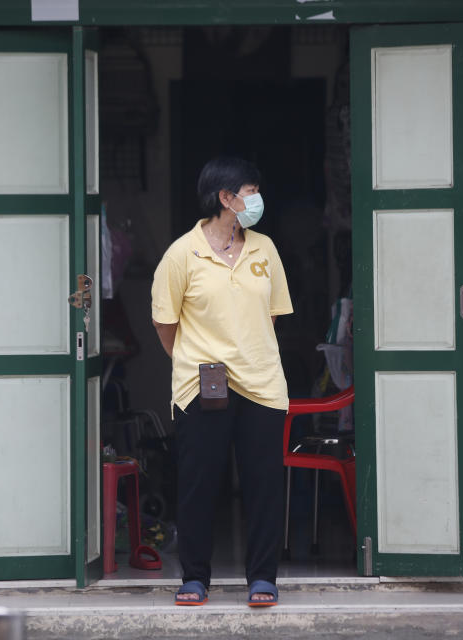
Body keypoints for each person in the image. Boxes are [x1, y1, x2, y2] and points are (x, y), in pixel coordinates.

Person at [151, 156, 293, 607]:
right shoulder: (180, 254)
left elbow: (272, 314)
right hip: (201, 387)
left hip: (261, 385)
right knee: (198, 484)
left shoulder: (264, 249)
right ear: (224, 198)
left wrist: (247, 352)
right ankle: (194, 578)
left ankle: (263, 578)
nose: (256, 199)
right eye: (249, 192)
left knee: (264, 484)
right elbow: (165, 323)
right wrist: (192, 360)